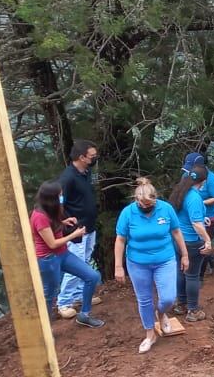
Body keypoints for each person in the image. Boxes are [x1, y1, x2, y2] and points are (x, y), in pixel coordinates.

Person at [114, 178, 191, 354]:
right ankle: (150, 334)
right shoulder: (128, 213)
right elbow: (120, 240)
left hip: (165, 259)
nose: (145, 206)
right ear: (136, 200)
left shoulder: (166, 209)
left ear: (155, 199)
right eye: (142, 203)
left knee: (168, 298)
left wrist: (185, 255)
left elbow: (176, 232)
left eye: (149, 203)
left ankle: (161, 313)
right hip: (137, 263)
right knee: (144, 299)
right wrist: (118, 266)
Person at [29, 180, 104, 328]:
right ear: (51, 198)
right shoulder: (39, 216)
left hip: (63, 254)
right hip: (48, 259)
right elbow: (52, 244)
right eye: (60, 195)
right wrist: (74, 234)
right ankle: (45, 329)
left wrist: (64, 222)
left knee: (92, 276)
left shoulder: (51, 210)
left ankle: (84, 315)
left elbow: (52, 226)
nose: (62, 198)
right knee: (49, 295)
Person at [56, 139, 101, 319]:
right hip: (76, 230)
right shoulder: (67, 178)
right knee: (76, 264)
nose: (95, 158)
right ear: (82, 157)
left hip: (89, 226)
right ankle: (64, 302)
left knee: (86, 261)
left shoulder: (86, 173)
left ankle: (80, 295)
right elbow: (59, 202)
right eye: (92, 156)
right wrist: (67, 222)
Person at [168, 159, 212, 322]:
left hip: (177, 239)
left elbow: (184, 216)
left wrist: (202, 218)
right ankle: (193, 310)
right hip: (192, 241)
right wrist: (207, 240)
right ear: (203, 181)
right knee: (192, 275)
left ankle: (181, 304)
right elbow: (196, 224)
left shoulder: (180, 191)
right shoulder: (194, 197)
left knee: (181, 271)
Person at [186, 152, 214, 276]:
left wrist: (199, 203)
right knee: (194, 241)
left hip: (210, 216)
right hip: (191, 214)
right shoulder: (186, 175)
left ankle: (199, 275)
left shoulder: (211, 178)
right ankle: (212, 257)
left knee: (203, 243)